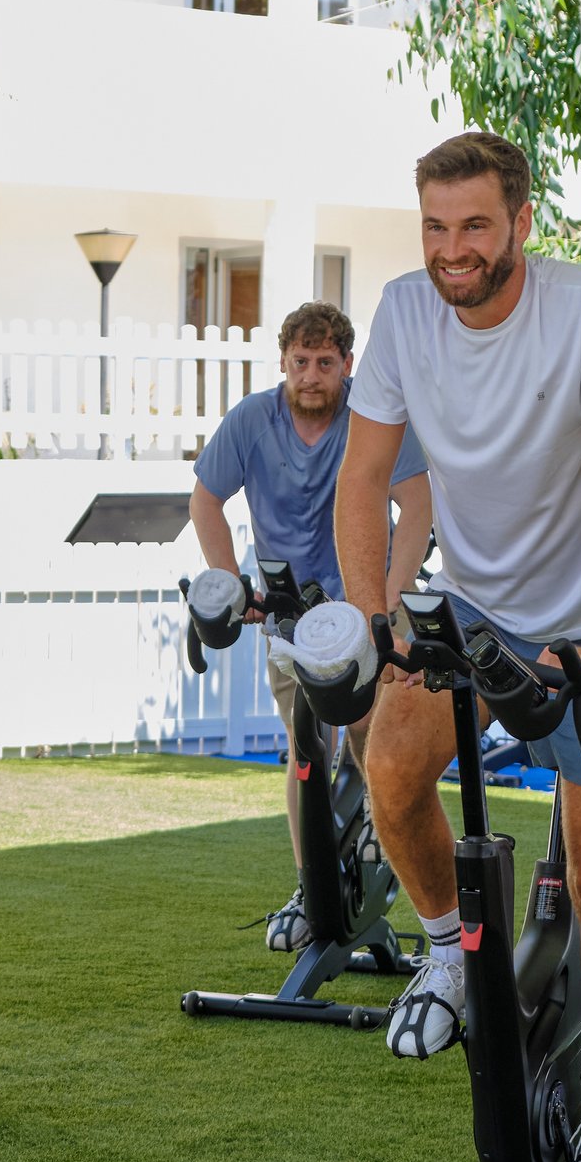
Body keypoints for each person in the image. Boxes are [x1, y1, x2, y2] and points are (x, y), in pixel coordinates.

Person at [334, 132, 581, 1162]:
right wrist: (371, 618)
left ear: (520, 221)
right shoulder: (400, 313)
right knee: (387, 768)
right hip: (477, 610)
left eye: (474, 225)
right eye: (435, 227)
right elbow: (362, 478)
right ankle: (446, 949)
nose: (452, 250)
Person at [192, 299, 432, 937]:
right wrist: (233, 582)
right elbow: (205, 500)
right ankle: (312, 889)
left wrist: (387, 594)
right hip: (288, 618)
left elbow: (418, 506)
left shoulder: (371, 418)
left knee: (376, 746)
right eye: (301, 362)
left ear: (347, 365)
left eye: (326, 362)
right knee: (305, 753)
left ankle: (388, 862)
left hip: (366, 612)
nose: (312, 375)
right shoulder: (252, 420)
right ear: (284, 363)